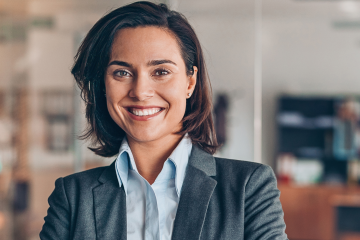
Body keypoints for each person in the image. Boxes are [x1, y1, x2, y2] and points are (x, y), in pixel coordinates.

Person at [40, 1, 288, 240]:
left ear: (190, 82)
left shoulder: (248, 188)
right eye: (122, 73)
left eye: (161, 72)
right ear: (103, 85)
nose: (140, 91)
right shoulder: (73, 196)